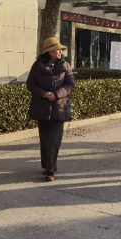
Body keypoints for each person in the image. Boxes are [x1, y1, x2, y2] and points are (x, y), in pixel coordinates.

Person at [26, 36, 75, 182]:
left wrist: (57, 94)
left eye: (60, 49)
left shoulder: (65, 65)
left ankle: (51, 169)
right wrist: (43, 93)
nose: (60, 52)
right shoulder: (37, 66)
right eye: (57, 49)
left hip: (59, 107)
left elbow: (70, 85)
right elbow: (31, 84)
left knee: (54, 140)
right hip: (42, 107)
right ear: (49, 52)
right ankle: (46, 164)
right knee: (45, 139)